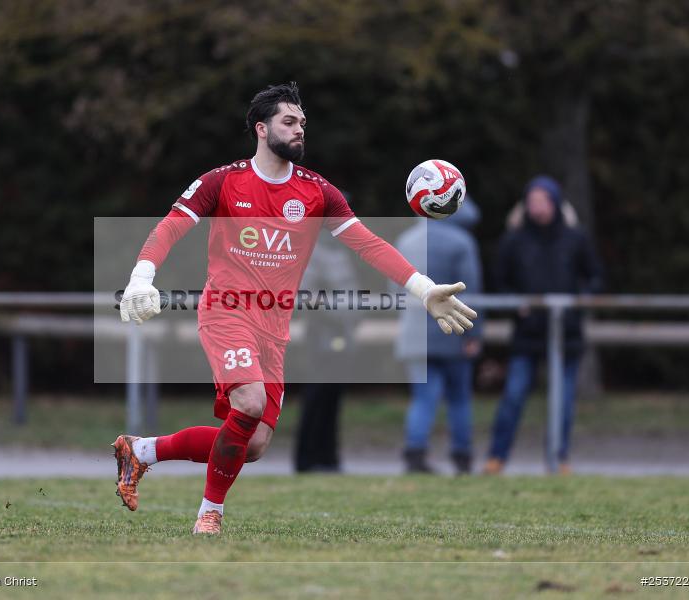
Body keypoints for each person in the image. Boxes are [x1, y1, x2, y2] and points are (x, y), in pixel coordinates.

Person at [112, 82, 477, 535]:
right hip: (226, 311)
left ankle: (140, 451)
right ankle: (210, 514)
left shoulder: (317, 192)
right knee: (248, 403)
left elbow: (369, 244)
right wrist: (142, 276)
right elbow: (169, 228)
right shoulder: (223, 182)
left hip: (274, 328)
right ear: (262, 129)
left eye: (303, 122)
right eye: (290, 121)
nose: (300, 128)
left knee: (254, 443)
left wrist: (423, 290)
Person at [484, 176, 603, 475]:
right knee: (513, 397)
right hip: (527, 334)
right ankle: (496, 458)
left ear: (556, 203)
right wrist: (515, 304)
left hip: (566, 334)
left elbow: (596, 277)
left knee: (562, 403)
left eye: (543, 200)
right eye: (532, 201)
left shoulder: (576, 238)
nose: (537, 207)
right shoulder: (513, 240)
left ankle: (558, 459)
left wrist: (579, 305)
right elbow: (499, 282)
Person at [395, 198, 483, 475]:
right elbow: (473, 291)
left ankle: (415, 453)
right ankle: (462, 456)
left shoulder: (407, 240)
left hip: (414, 334)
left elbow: (395, 286)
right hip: (454, 332)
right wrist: (474, 334)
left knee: (423, 398)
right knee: (459, 399)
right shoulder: (462, 242)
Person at [294, 234, 360, 473]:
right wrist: (332, 315)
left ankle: (329, 458)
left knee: (333, 397)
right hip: (323, 332)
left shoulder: (339, 252)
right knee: (316, 396)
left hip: (343, 331)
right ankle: (308, 459)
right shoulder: (313, 251)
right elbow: (306, 293)